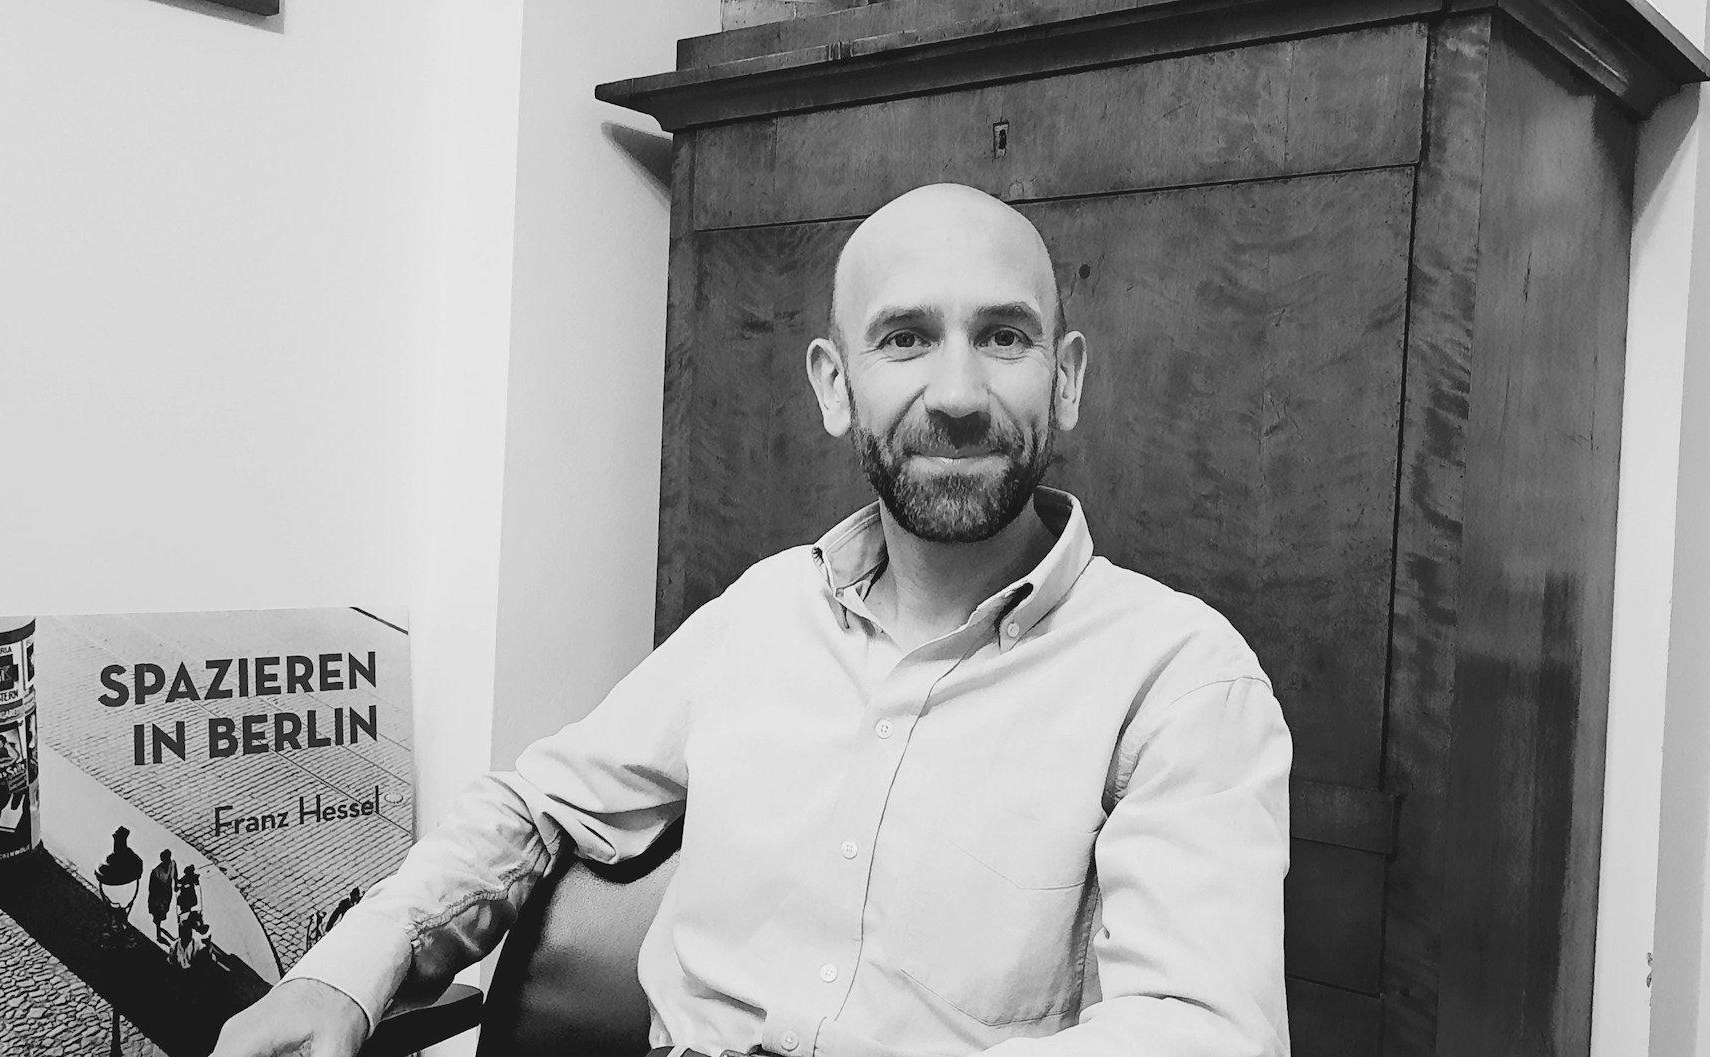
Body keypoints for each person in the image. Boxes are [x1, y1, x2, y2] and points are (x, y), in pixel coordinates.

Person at [210, 183, 1291, 1057]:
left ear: (1065, 379)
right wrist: (345, 972)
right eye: (905, 338)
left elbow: (1201, 1031)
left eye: (1003, 336)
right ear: (835, 385)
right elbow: (536, 803)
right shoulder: (759, 613)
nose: (958, 393)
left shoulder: (1180, 677)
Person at [148, 850, 177, 938]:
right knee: (158, 913)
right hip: (159, 894)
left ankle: (158, 923)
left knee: (164, 911)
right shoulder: (156, 872)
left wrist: (176, 884)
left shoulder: (172, 864)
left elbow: (175, 874)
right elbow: (151, 887)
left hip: (167, 893)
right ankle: (158, 932)